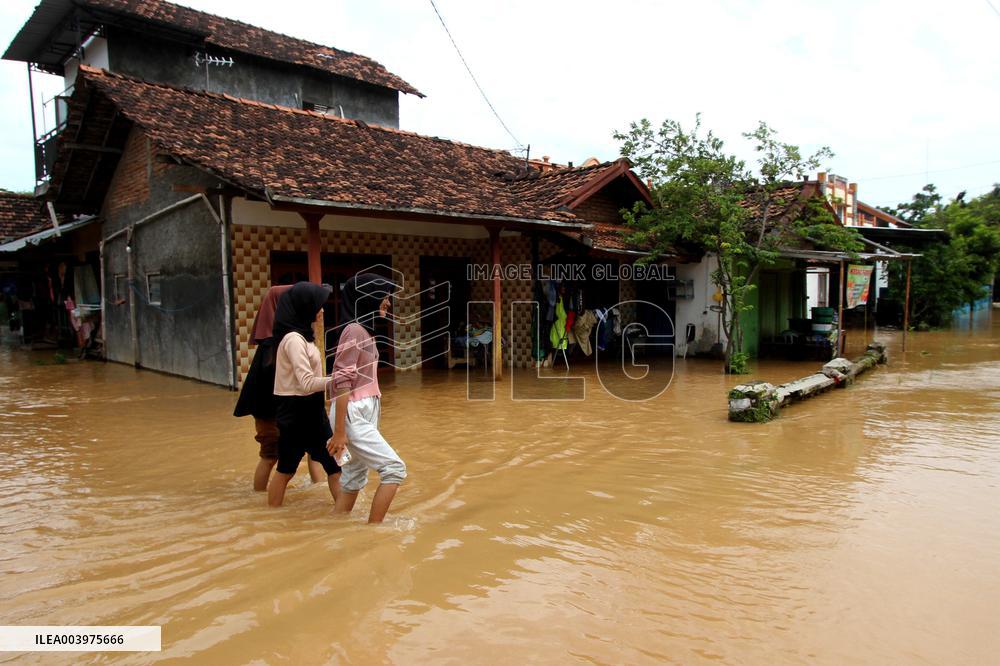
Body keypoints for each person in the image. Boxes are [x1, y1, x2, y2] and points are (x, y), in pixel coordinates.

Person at [327, 273, 406, 524]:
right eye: (385, 297)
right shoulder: (354, 331)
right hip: (352, 412)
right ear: (368, 298)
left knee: (352, 479)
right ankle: (374, 532)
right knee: (394, 469)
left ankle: (336, 529)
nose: (388, 303)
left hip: (364, 409)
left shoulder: (365, 331)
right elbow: (342, 381)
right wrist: (340, 432)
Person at [233, 285, 322, 491]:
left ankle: (318, 492)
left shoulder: (291, 340)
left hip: (290, 410)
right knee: (270, 456)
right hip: (272, 413)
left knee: (314, 451)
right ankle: (260, 499)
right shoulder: (273, 346)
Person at [267, 282, 342, 507]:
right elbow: (307, 383)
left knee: (334, 465)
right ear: (305, 307)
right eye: (318, 305)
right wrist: (340, 381)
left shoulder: (304, 337)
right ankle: (271, 515)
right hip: (296, 412)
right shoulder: (293, 340)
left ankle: (344, 515)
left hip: (311, 410)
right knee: (286, 469)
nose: (322, 310)